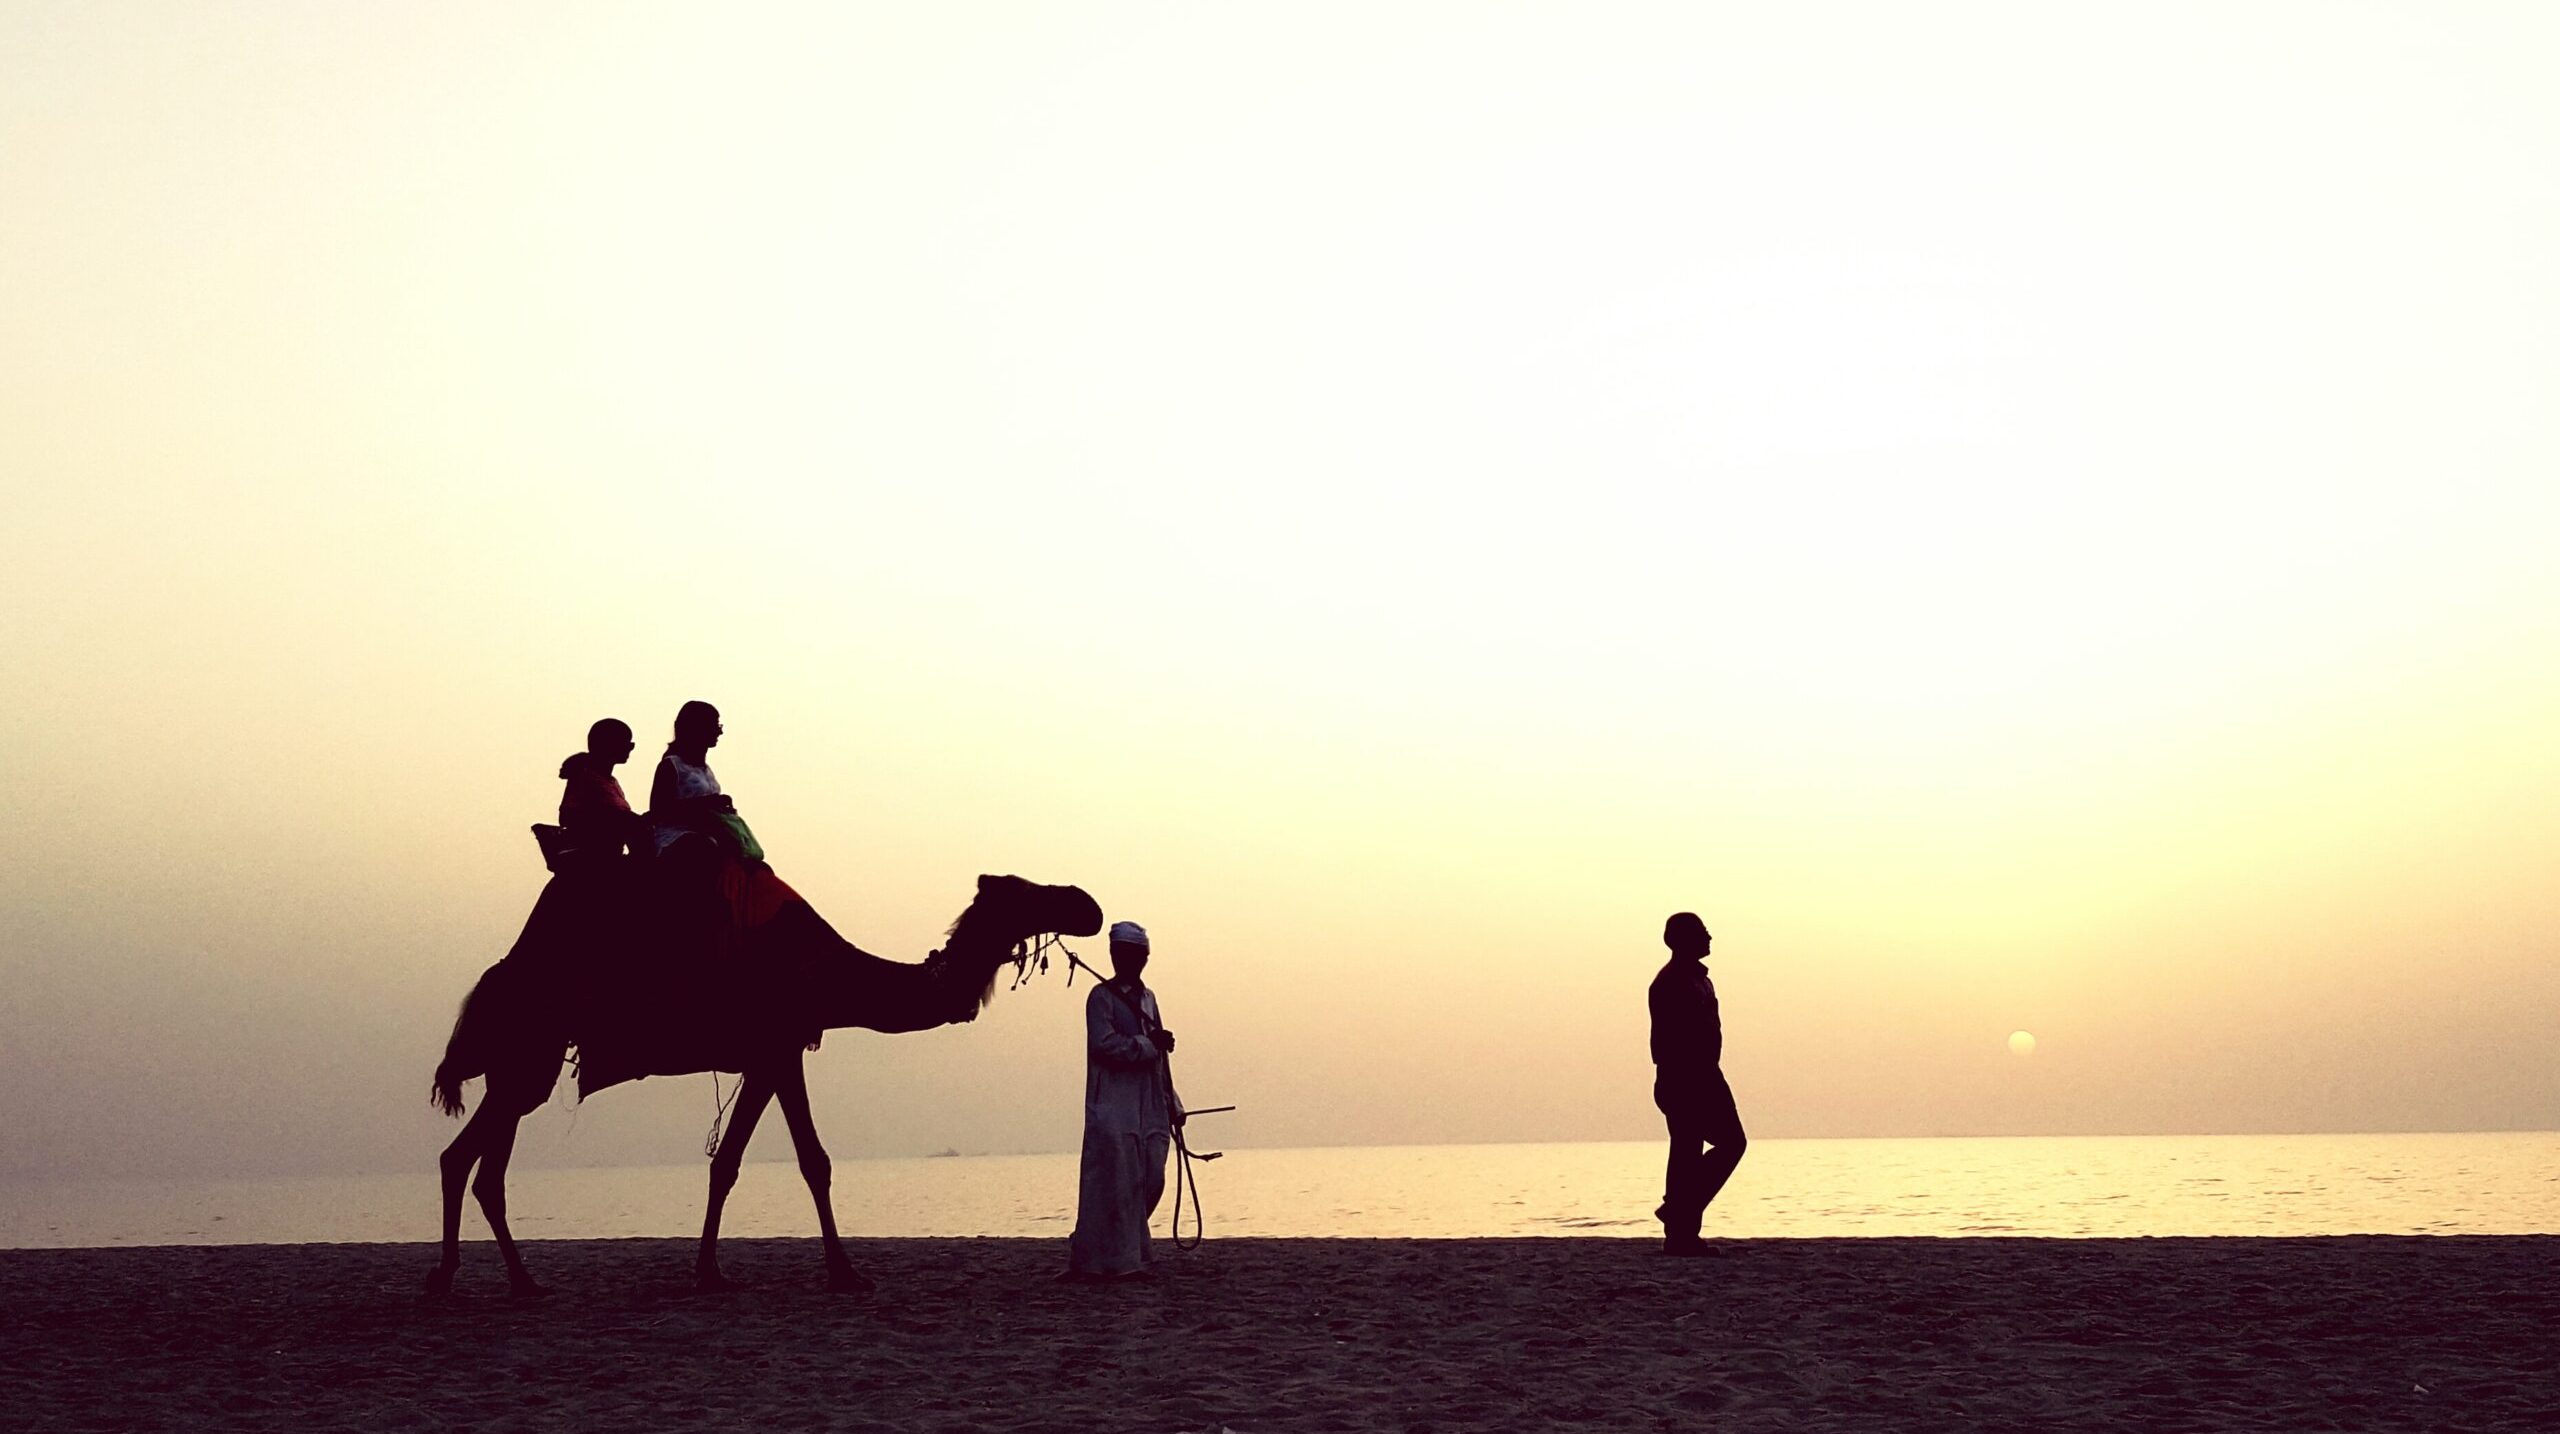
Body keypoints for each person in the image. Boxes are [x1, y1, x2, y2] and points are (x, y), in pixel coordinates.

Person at [1064, 920, 1185, 1281]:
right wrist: (1147, 1045)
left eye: (1137, 955)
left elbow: (1162, 1058)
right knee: (1115, 1184)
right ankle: (1110, 1260)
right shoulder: (1100, 998)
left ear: (1144, 957)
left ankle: (1128, 1250)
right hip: (1113, 1106)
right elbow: (1103, 1045)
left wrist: (1173, 1102)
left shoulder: (1149, 999)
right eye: (1124, 954)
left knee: (1152, 1178)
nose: (1130, 960)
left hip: (1150, 1106)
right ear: (1115, 955)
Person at [1649, 911, 1745, 1255]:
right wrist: (1685, 1076)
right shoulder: (1671, 982)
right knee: (1690, 1149)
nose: (1709, 937)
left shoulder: (1700, 980)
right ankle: (1680, 1231)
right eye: (1702, 932)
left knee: (1722, 1145)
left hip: (1707, 1074)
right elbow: (1668, 1040)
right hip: (1684, 1077)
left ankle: (1679, 1216)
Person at [555, 718, 643, 865]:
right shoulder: (583, 777)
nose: (629, 748)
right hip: (595, 858)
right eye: (627, 744)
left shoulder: (613, 783)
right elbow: (567, 817)